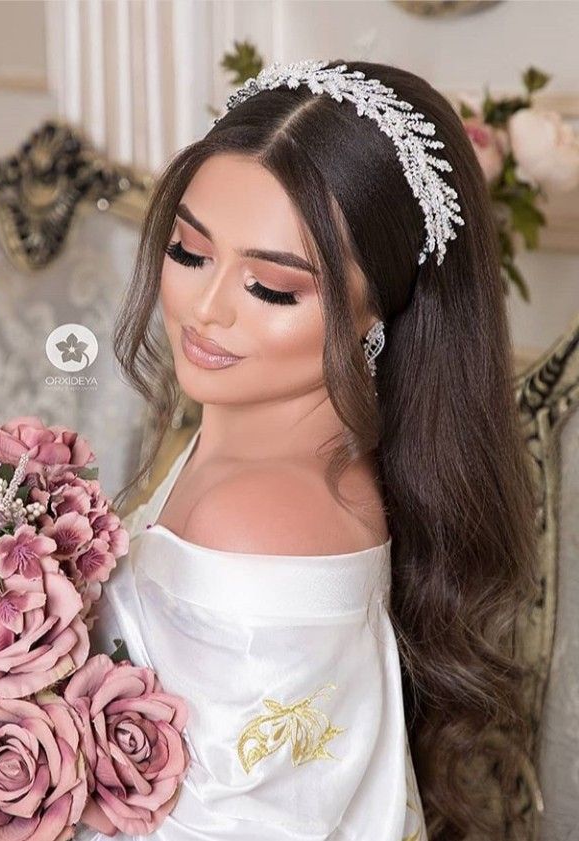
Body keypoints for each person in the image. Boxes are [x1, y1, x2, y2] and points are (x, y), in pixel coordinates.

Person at [84, 59, 537, 841]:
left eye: (272, 288)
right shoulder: (265, 446)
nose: (207, 308)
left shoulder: (257, 518)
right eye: (191, 251)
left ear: (377, 311)